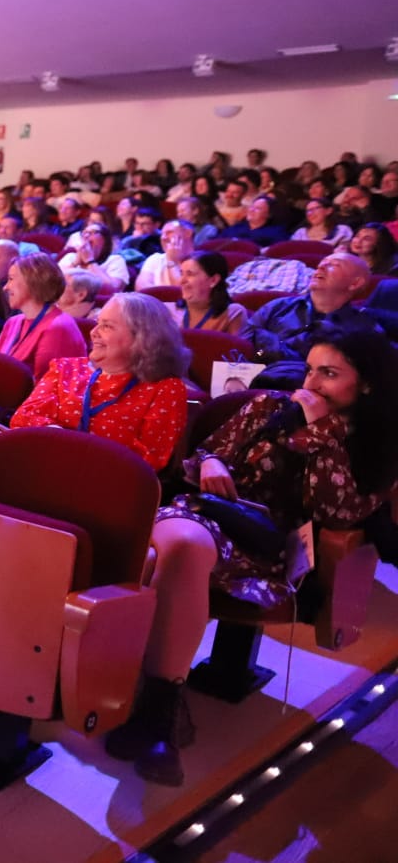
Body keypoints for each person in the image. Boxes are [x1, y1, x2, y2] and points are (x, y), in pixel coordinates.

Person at [110, 329, 398, 786]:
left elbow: (336, 510)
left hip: (266, 546)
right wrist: (212, 464)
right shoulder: (268, 406)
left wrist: (318, 430)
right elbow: (208, 451)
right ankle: (156, 713)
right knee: (181, 545)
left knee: (173, 557)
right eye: (310, 369)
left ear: (365, 385)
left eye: (330, 373)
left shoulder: (372, 445)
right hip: (202, 513)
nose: (313, 382)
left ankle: (148, 703)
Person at [11, 292, 190, 470]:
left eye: (107, 326)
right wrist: (60, 439)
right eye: (98, 323)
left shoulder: (165, 388)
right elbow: (23, 418)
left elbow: (149, 460)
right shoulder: (64, 369)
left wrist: (79, 454)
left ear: (142, 337)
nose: (93, 332)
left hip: (106, 484)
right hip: (45, 464)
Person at [247, 253, 382, 387]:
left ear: (355, 283)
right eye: (322, 262)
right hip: (258, 383)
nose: (321, 266)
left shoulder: (365, 329)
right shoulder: (278, 307)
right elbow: (242, 345)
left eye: (335, 265)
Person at [0, 254, 87, 377]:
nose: (5, 287)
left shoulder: (58, 328)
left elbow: (47, 387)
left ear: (33, 281)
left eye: (11, 279)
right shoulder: (13, 322)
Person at [170, 252, 248, 334]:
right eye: (181, 274)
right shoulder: (168, 311)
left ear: (213, 280)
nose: (181, 281)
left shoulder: (233, 312)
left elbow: (239, 346)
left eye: (190, 274)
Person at [58, 223, 130, 293]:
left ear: (104, 239)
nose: (86, 235)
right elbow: (56, 282)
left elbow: (114, 288)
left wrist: (90, 262)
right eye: (84, 232)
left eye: (93, 232)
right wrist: (75, 263)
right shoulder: (70, 257)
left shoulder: (115, 260)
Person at [135, 220, 194, 290]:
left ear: (188, 233)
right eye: (162, 234)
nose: (163, 237)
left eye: (169, 232)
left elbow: (183, 292)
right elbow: (142, 288)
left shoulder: (199, 261)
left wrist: (171, 260)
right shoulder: (155, 259)